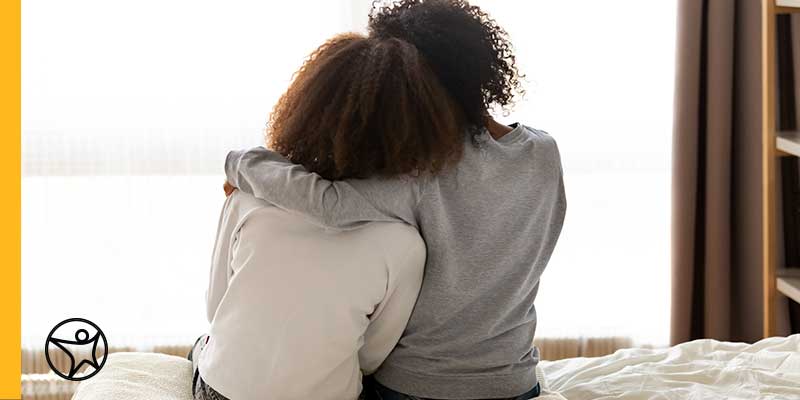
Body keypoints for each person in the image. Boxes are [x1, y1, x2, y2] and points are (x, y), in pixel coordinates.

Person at [223, 1, 566, 399]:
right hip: (516, 383)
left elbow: (327, 203)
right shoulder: (544, 153)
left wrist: (241, 162)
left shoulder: (424, 172)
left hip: (417, 388)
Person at [191, 32, 466, 400]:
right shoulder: (405, 244)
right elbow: (371, 357)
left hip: (224, 392)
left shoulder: (246, 199)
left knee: (202, 345)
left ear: (307, 107)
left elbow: (216, 308)